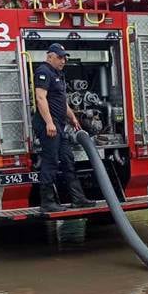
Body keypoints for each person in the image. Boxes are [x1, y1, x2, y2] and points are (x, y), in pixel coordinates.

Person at [32, 43, 92, 212]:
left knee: (67, 160)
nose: (63, 60)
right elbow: (41, 98)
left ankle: (78, 199)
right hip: (48, 125)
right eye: (59, 57)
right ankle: (47, 203)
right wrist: (49, 123)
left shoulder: (58, 74)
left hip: (60, 125)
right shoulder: (44, 71)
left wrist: (72, 118)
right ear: (49, 56)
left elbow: (62, 101)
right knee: (50, 161)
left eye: (64, 57)